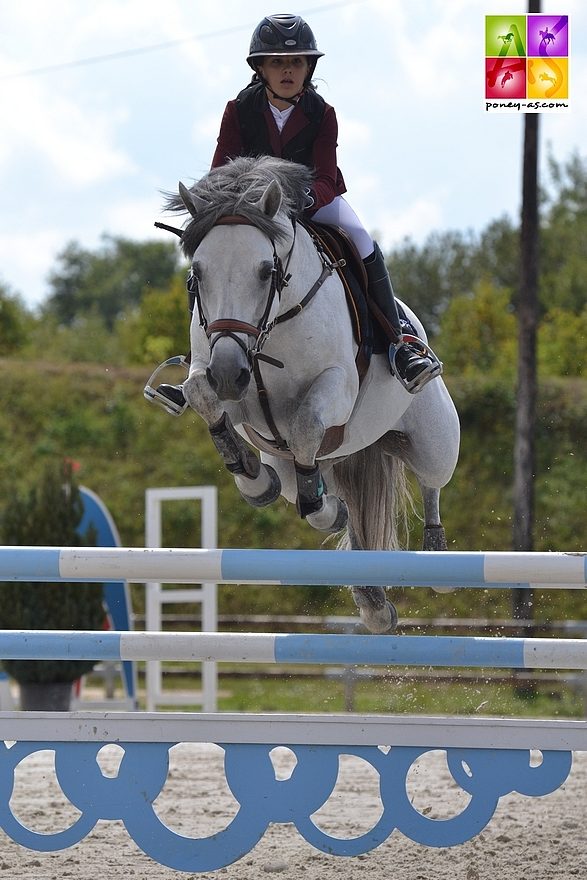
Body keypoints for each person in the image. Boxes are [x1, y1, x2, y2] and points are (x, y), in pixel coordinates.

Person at [151, 13, 441, 415]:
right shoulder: (239, 110)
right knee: (212, 260)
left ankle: (399, 345)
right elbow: (220, 173)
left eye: (297, 62)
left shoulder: (323, 114)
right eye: (277, 62)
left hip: (312, 201)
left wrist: (295, 202)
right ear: (260, 69)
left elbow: (324, 177)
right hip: (252, 210)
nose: (287, 70)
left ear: (309, 68)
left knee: (362, 241)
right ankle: (196, 363)